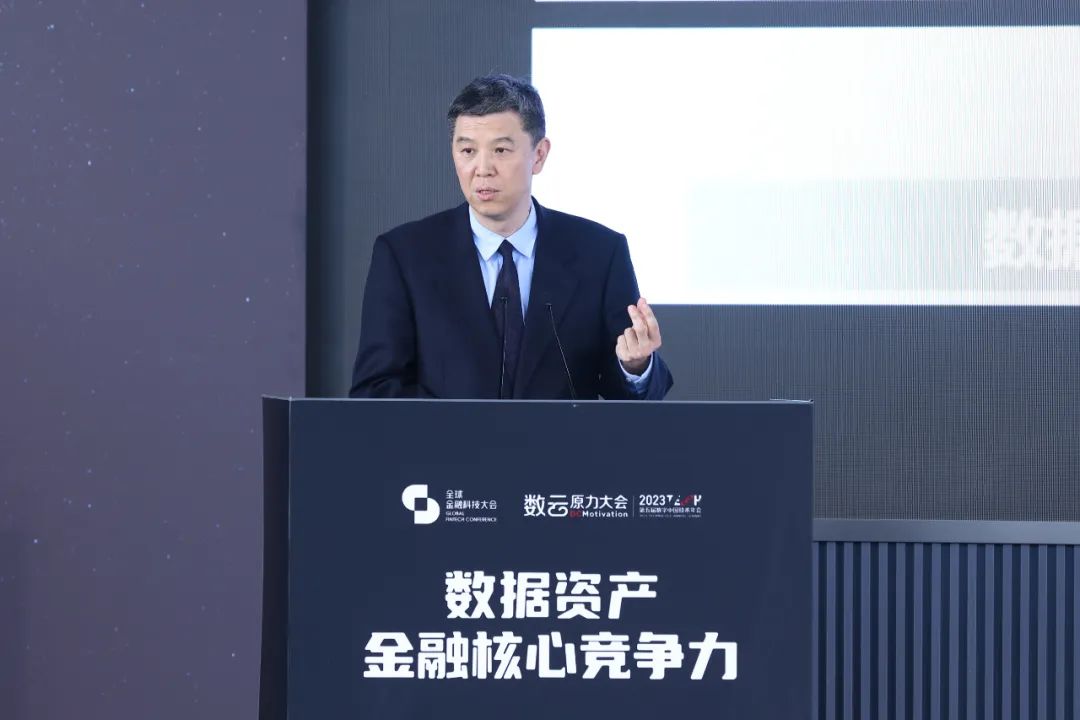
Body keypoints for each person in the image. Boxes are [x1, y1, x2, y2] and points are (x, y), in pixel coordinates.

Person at [349, 74, 673, 400]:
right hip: (445, 436)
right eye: (467, 150)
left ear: (539, 155)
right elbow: (374, 391)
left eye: (501, 150)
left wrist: (635, 366)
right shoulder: (405, 256)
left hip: (559, 436)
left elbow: (635, 398)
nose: (482, 168)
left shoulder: (600, 253)